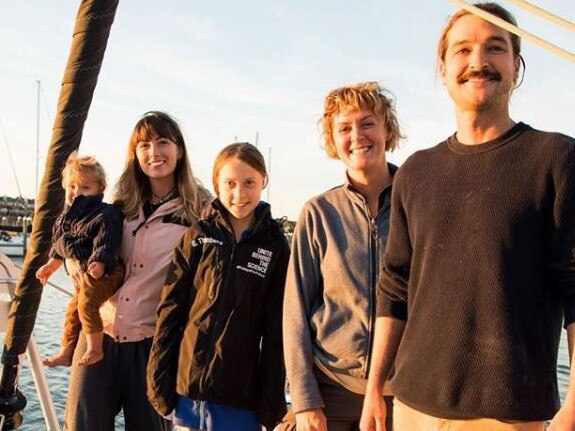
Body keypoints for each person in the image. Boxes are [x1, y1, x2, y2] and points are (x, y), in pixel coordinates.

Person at [360, 3, 575, 431]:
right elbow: (395, 286)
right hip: (411, 406)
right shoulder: (416, 172)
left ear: (517, 65)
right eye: (462, 50)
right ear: (442, 68)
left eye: (494, 48)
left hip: (508, 414)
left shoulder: (557, 158)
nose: (478, 62)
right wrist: (374, 390)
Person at [63, 111, 210, 431]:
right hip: (98, 339)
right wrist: (70, 262)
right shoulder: (118, 206)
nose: (154, 152)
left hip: (154, 347)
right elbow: (77, 239)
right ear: (135, 154)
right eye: (144, 145)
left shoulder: (201, 208)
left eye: (162, 142)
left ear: (179, 150)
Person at [283, 81, 403, 431]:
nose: (357, 136)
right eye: (344, 128)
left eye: (367, 123)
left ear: (387, 129)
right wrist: (304, 399)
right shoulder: (319, 212)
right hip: (331, 390)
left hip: (402, 393)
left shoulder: (415, 204)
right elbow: (295, 311)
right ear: (333, 141)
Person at [147, 142, 290, 431]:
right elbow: (170, 311)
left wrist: (270, 403)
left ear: (263, 180)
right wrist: (158, 380)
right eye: (230, 184)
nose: (239, 194)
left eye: (249, 182)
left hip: (240, 400)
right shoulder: (198, 236)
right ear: (217, 185)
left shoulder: (275, 246)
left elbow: (277, 331)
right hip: (187, 392)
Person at [36, 152, 125, 368]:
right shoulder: (64, 218)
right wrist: (50, 266)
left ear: (100, 189)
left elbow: (107, 241)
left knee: (86, 304)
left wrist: (100, 262)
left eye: (85, 188)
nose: (77, 193)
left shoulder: (105, 214)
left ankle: (95, 349)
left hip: (107, 271)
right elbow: (61, 247)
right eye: (72, 187)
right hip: (87, 275)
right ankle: (67, 350)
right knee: (72, 311)